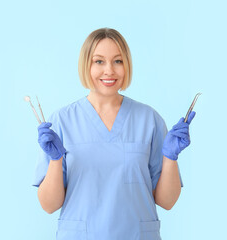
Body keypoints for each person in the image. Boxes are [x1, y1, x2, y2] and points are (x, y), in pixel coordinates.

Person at [32, 27, 195, 240]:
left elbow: (167, 201)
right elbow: (49, 205)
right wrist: (55, 160)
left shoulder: (149, 120)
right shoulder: (63, 121)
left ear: (126, 65)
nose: (109, 70)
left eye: (118, 61)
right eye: (99, 61)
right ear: (86, 65)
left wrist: (171, 158)